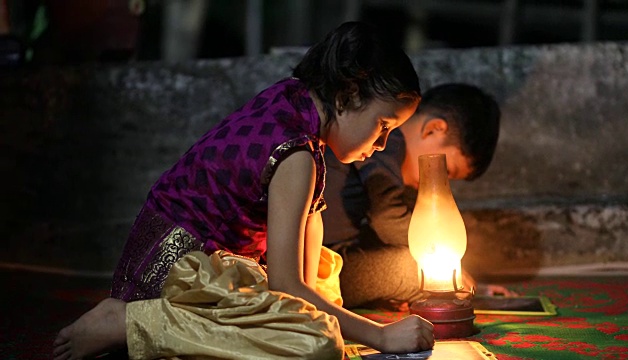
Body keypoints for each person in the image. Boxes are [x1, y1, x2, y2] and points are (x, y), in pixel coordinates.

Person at [53, 21, 435, 360]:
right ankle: (132, 323)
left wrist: (309, 313)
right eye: (382, 125)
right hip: (177, 278)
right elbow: (286, 287)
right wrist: (381, 336)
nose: (383, 144)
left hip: (192, 263)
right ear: (347, 94)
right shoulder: (297, 153)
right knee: (314, 346)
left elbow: (303, 266)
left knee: (322, 279)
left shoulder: (296, 103)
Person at [322, 83, 506, 308]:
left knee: (413, 267)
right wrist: (449, 273)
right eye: (446, 171)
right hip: (319, 270)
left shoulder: (401, 177)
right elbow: (385, 217)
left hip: (337, 264)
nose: (439, 183)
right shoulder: (388, 142)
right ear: (434, 129)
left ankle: (444, 290)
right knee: (409, 271)